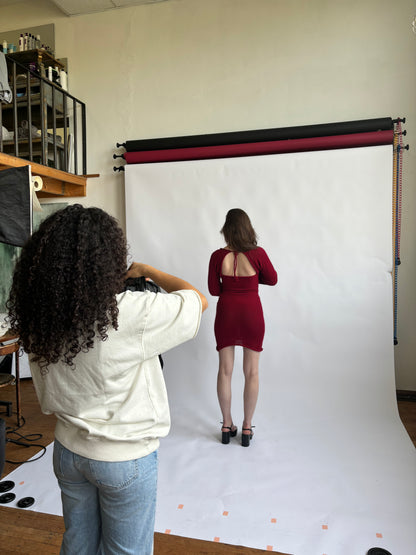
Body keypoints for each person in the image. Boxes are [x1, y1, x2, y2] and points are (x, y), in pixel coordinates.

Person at [6, 204, 207, 555]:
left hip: (67, 452)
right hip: (123, 458)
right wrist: (147, 270)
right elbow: (197, 300)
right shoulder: (127, 313)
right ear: (107, 259)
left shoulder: (39, 313)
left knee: (78, 546)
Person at [208, 208, 277, 447]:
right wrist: (252, 280)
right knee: (252, 372)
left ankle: (227, 424)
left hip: (226, 313)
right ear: (248, 229)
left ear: (226, 230)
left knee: (225, 371)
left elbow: (214, 291)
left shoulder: (217, 256)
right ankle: (247, 428)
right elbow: (272, 278)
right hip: (251, 313)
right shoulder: (258, 254)